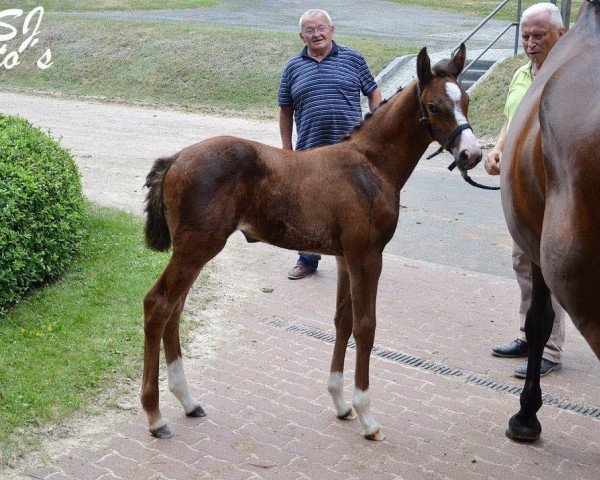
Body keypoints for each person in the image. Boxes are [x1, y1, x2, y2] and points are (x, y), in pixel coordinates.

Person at [485, 2, 565, 378]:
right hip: (522, 188)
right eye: (526, 37)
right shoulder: (521, 73)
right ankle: (529, 333)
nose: (531, 43)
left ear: (561, 35)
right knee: (523, 261)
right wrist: (499, 148)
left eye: (539, 36)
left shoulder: (569, 75)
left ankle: (549, 346)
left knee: (550, 267)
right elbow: (510, 120)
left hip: (557, 189)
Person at [278, 8, 382, 280]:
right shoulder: (292, 67)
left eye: (321, 28)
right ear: (302, 36)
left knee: (353, 205)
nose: (317, 34)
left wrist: (375, 123)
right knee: (308, 206)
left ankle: (353, 255)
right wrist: (286, 148)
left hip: (351, 151)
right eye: (310, 30)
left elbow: (373, 92)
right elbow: (285, 109)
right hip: (309, 150)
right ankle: (307, 259)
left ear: (332, 30)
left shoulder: (353, 59)